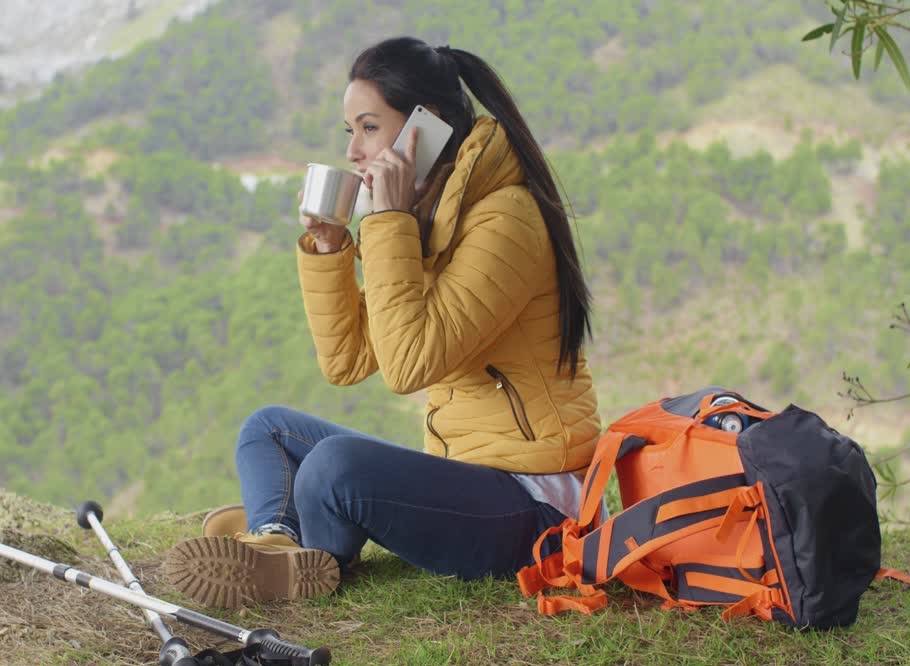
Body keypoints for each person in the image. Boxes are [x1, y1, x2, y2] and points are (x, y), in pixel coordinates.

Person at [163, 36, 601, 609]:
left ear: (428, 126)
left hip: (535, 504)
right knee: (267, 428)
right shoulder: (434, 216)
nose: (354, 150)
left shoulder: (506, 219)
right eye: (350, 131)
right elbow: (347, 363)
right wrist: (329, 249)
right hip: (466, 475)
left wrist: (389, 220)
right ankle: (278, 539)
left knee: (332, 467)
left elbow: (406, 366)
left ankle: (301, 542)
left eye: (369, 127)